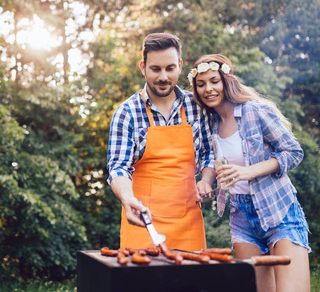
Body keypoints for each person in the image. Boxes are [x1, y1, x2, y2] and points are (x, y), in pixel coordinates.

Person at [189, 54, 311, 292]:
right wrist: (206, 182)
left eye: (214, 81)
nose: (208, 89)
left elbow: (293, 151)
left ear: (227, 80)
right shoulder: (210, 123)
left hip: (279, 212)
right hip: (241, 218)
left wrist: (249, 171)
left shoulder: (254, 111)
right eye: (201, 84)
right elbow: (214, 163)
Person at [106, 33, 217, 251]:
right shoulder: (127, 112)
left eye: (170, 68)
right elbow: (118, 167)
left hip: (189, 224)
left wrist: (206, 179)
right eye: (155, 69)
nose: (163, 77)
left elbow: (208, 153)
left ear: (180, 66)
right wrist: (128, 199)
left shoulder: (197, 106)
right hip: (141, 221)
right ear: (143, 67)